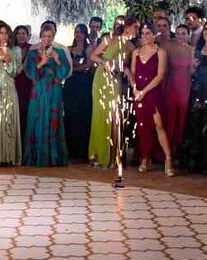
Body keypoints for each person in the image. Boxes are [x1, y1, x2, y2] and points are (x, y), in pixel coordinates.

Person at [177, 20, 207, 175]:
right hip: (199, 88)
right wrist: (193, 65)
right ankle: (194, 162)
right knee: (195, 124)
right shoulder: (197, 48)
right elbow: (192, 72)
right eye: (206, 29)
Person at [88, 16, 137, 167]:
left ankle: (113, 156)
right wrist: (106, 62)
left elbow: (127, 66)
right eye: (135, 27)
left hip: (116, 80)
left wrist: (129, 76)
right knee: (100, 116)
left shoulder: (131, 47)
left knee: (115, 117)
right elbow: (93, 56)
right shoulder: (109, 39)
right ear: (127, 27)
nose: (137, 30)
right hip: (101, 78)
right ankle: (99, 155)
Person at [23, 23, 71, 167]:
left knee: (53, 119)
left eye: (49, 36)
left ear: (53, 37)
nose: (46, 39)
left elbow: (65, 72)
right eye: (44, 36)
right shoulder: (33, 53)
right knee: (36, 118)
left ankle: (53, 156)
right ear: (40, 36)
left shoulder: (59, 52)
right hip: (38, 90)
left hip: (54, 90)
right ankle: (36, 155)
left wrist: (57, 59)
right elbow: (30, 73)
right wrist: (41, 63)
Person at [131, 24, 174, 175]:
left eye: (148, 33)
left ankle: (168, 159)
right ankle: (145, 157)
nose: (145, 36)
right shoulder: (136, 52)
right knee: (143, 126)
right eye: (142, 33)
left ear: (154, 35)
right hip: (138, 93)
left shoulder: (160, 52)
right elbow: (133, 74)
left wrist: (144, 92)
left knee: (158, 125)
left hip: (153, 92)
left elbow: (160, 76)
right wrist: (135, 89)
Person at [0, 22, 21, 166]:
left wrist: (8, 60)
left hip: (8, 89)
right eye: (1, 33)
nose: (4, 36)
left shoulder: (16, 50)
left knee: (8, 121)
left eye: (6, 33)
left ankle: (8, 157)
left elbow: (15, 72)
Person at [162, 24, 194, 156]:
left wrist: (195, 66)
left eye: (183, 33)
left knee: (182, 118)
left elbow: (192, 71)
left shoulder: (191, 50)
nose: (180, 36)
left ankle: (178, 149)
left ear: (188, 35)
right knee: (170, 117)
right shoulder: (169, 47)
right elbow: (164, 68)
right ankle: (167, 150)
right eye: (178, 33)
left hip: (185, 85)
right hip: (171, 85)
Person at [63, 23, 94, 159]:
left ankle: (82, 148)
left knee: (83, 114)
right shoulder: (69, 49)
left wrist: (74, 68)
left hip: (83, 83)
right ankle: (70, 147)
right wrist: (71, 69)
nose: (78, 34)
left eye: (81, 32)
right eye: (76, 32)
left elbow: (88, 66)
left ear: (85, 34)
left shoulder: (89, 48)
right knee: (70, 114)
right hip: (71, 84)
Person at [12, 25, 32, 143]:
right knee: (16, 113)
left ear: (28, 35)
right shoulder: (11, 49)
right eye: (18, 33)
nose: (21, 36)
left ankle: (26, 143)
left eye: (23, 33)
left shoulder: (32, 49)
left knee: (27, 113)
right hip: (14, 84)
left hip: (28, 84)